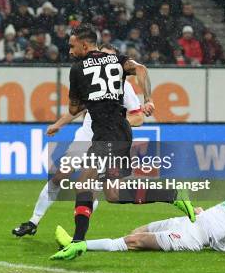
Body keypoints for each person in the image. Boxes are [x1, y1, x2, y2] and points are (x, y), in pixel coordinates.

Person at [49, 23, 195, 260]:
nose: (69, 50)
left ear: (85, 44)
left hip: (108, 132)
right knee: (114, 194)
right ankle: (172, 194)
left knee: (85, 182)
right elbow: (142, 70)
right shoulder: (115, 60)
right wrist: (148, 99)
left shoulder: (77, 69)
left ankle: (77, 242)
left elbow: (75, 107)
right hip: (119, 130)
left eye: (72, 45)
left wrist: (88, 98)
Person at [12, 76, 144, 237]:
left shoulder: (125, 87)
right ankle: (33, 221)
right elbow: (79, 109)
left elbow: (138, 117)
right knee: (60, 175)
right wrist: (58, 124)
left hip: (105, 142)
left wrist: (115, 123)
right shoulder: (93, 82)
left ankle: (77, 236)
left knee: (92, 189)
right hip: (84, 138)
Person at [55, 165, 225, 256]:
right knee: (135, 232)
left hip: (192, 236)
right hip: (188, 221)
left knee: (134, 242)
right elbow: (223, 224)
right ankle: (79, 243)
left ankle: (79, 245)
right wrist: (202, 212)